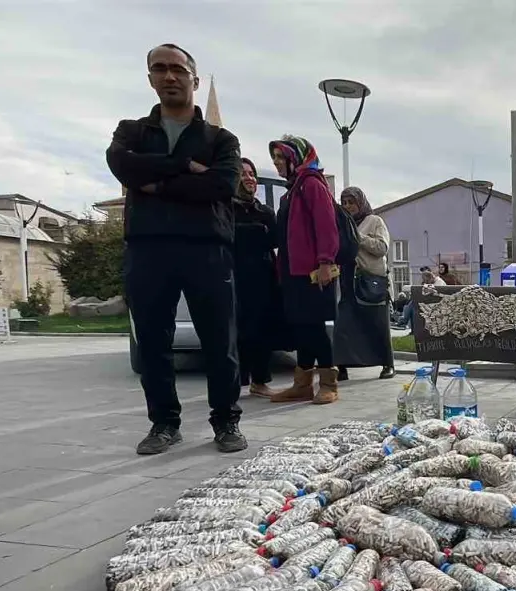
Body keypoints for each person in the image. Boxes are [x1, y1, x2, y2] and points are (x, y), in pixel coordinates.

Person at [106, 43, 246, 455]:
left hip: (206, 248)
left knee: (220, 341)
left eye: (178, 70)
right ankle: (164, 423)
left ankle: (226, 421)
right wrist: (184, 166)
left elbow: (221, 184)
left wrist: (154, 182)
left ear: (194, 80)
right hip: (148, 248)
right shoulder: (132, 132)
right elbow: (122, 165)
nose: (169, 76)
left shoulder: (220, 139)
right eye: (160, 68)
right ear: (150, 78)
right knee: (152, 342)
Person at [266, 135, 343, 406]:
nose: (276, 163)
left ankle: (329, 384)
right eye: (274, 158)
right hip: (293, 271)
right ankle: (302, 385)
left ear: (295, 158)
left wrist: (325, 262)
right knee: (300, 327)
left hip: (312, 271)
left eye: (281, 157)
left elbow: (326, 226)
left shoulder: (311, 184)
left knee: (313, 327)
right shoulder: (293, 189)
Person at [334, 186, 396, 380]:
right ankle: (342, 366)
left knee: (377, 323)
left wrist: (357, 236)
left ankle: (387, 363)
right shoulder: (342, 224)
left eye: (351, 202)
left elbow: (382, 247)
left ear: (360, 203)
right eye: (344, 203)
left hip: (370, 280)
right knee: (344, 325)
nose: (348, 206)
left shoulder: (374, 221)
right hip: (347, 279)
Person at [231, 158, 280, 398]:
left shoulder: (265, 211)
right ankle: (234, 383)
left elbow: (275, 240)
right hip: (233, 276)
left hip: (262, 277)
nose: (249, 178)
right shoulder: (225, 208)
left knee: (262, 329)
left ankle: (259, 381)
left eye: (251, 174)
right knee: (235, 330)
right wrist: (257, 232)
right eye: (243, 174)